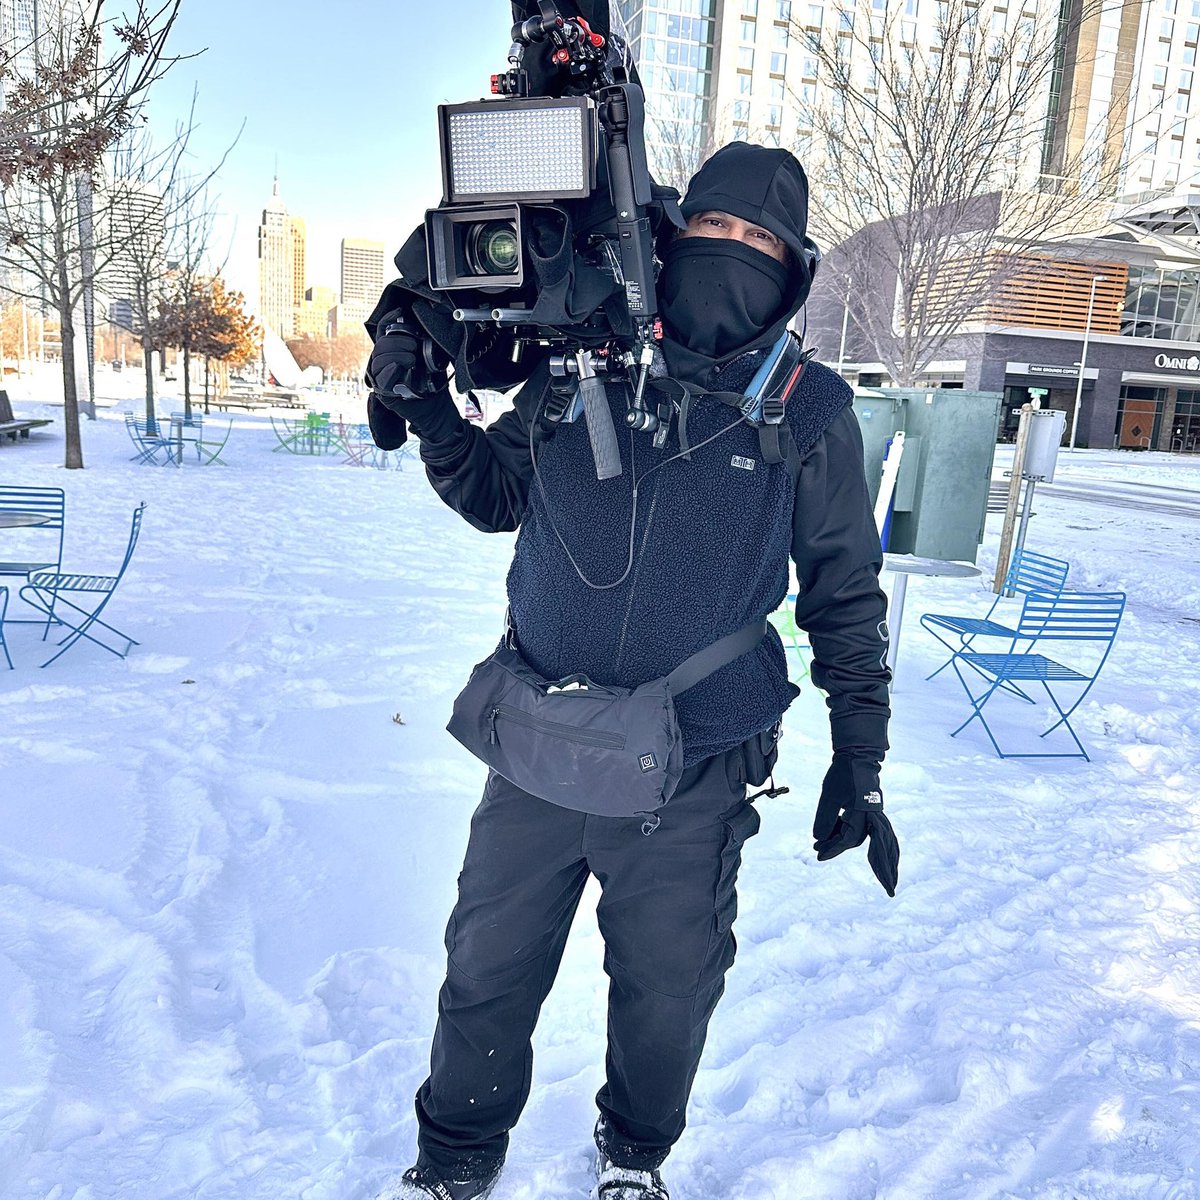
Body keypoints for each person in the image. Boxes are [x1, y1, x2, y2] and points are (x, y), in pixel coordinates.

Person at [365, 143, 899, 1200]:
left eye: (756, 238)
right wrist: (430, 415)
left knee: (667, 987)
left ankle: (633, 1155)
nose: (728, 248)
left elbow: (844, 595)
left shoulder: (807, 410)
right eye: (711, 225)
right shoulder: (580, 367)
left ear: (792, 267)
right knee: (486, 967)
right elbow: (495, 498)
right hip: (539, 739)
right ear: (671, 233)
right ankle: (455, 1159)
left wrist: (861, 756)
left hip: (693, 764)